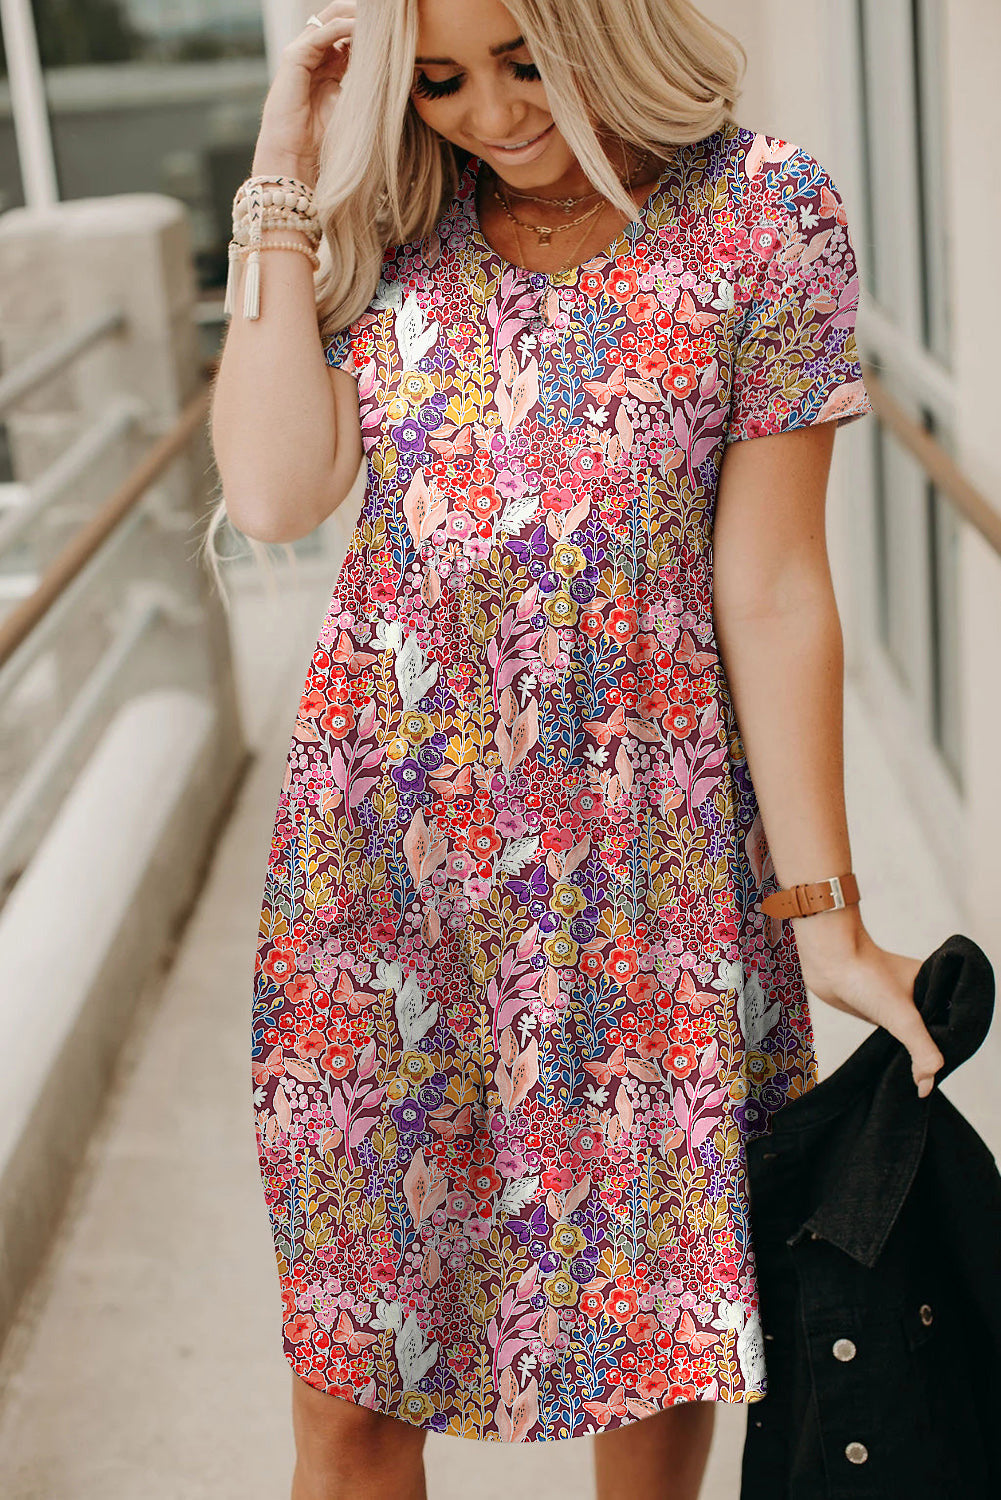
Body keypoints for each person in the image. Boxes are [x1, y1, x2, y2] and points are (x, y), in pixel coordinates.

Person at [208, 2, 945, 1497]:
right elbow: (278, 492)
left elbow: (776, 586)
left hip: (649, 891)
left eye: (521, 60)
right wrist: (286, 166)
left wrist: (827, 919)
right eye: (438, 80)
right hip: (381, 897)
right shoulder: (386, 220)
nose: (487, 111)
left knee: (650, 1367)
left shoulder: (763, 211)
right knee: (349, 1399)